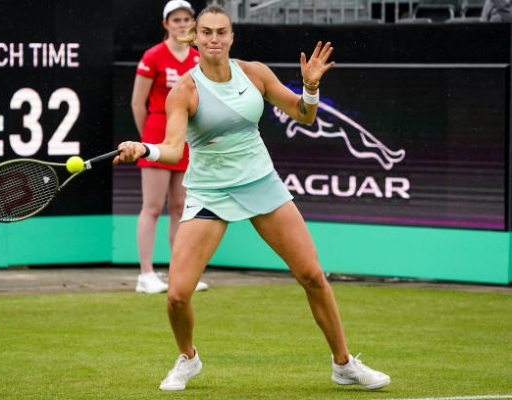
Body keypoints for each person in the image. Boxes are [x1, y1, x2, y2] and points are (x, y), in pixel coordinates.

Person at [114, 5, 391, 391]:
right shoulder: (186, 90)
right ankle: (188, 358)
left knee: (312, 275)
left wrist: (310, 88)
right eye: (206, 32)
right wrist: (144, 149)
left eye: (221, 32)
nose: (214, 39)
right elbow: (174, 149)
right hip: (210, 191)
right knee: (177, 295)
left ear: (231, 36)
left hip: (261, 182)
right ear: (195, 38)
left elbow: (304, 116)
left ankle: (343, 364)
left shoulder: (255, 73)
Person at [130, 0, 208, 294]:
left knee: (180, 207)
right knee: (152, 207)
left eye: (187, 19)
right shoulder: (152, 56)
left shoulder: (198, 59)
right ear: (165, 24)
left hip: (187, 137)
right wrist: (148, 142)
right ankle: (146, 274)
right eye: (176, 20)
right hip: (156, 135)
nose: (182, 24)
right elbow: (138, 103)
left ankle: (180, 274)